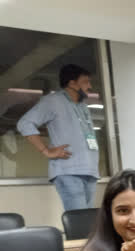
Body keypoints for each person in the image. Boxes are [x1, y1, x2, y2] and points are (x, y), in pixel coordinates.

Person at [17, 64, 100, 211]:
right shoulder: (52, 101)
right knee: (79, 221)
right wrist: (46, 151)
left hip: (90, 170)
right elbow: (25, 123)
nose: (90, 86)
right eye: (86, 81)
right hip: (69, 170)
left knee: (88, 222)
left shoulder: (82, 106)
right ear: (72, 83)